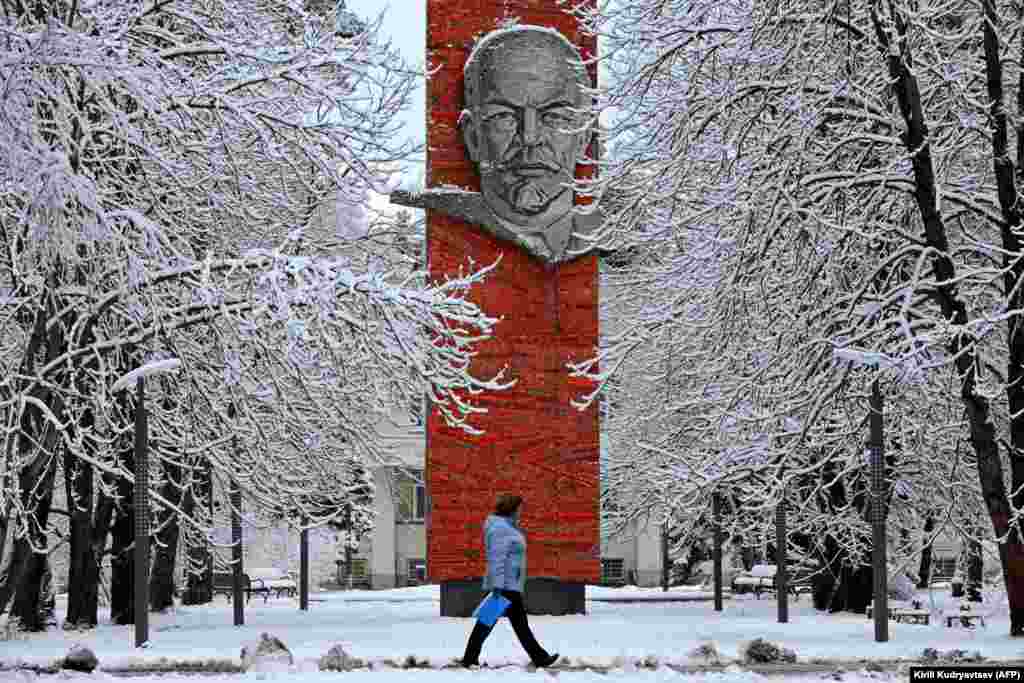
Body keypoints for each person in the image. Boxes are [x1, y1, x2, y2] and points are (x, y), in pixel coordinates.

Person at [458, 493, 559, 668]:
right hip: (505, 585)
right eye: (520, 508)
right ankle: (539, 657)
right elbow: (497, 558)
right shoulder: (501, 529)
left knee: (494, 623)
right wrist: (497, 585)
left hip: (509, 583)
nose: (521, 511)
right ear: (511, 508)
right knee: (498, 624)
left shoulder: (506, 527)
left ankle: (470, 657)